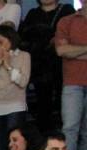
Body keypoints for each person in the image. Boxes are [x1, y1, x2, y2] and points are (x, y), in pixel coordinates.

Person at [21, 0, 75, 133]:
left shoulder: (67, 10)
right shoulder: (33, 13)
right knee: (42, 103)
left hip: (62, 64)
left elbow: (72, 35)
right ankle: (44, 137)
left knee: (64, 103)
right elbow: (23, 37)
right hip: (39, 65)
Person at [58, 5, 87, 150]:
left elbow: (69, 51)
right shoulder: (67, 21)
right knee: (69, 129)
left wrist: (75, 50)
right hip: (72, 83)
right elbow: (62, 50)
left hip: (73, 84)